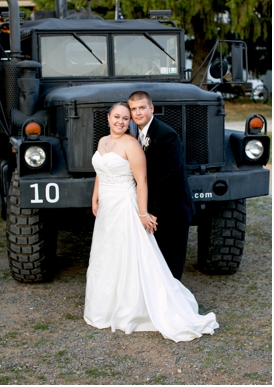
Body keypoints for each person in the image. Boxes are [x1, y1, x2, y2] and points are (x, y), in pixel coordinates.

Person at [84, 102, 217, 342]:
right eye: (117, 117)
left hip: (125, 204)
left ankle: (134, 306)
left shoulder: (132, 144)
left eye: (126, 118)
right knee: (108, 253)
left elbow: (142, 180)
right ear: (108, 117)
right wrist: (95, 196)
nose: (121, 122)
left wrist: (143, 213)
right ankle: (105, 305)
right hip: (107, 206)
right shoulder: (103, 141)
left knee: (130, 254)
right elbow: (101, 172)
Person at [128, 90, 195, 280]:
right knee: (157, 264)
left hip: (170, 212)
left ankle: (174, 305)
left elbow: (168, 177)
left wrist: (150, 212)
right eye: (134, 109)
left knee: (171, 265)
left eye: (142, 108)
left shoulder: (166, 135)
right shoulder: (138, 134)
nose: (138, 113)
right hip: (154, 210)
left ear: (152, 108)